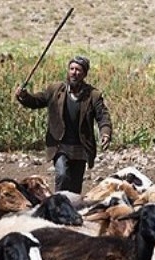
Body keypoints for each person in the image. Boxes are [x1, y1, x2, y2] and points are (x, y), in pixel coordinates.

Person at [15, 55, 112, 194]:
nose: (74, 72)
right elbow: (37, 101)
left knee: (75, 186)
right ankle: (58, 204)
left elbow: (103, 116)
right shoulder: (55, 90)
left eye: (78, 70)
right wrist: (24, 96)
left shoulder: (93, 95)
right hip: (60, 144)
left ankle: (72, 210)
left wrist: (105, 133)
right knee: (62, 175)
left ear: (84, 74)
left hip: (81, 147)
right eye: (71, 69)